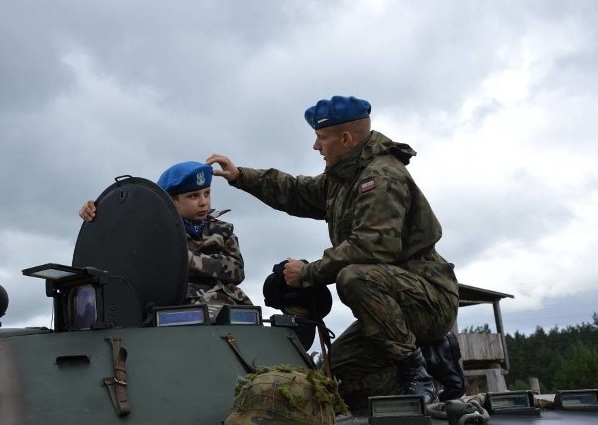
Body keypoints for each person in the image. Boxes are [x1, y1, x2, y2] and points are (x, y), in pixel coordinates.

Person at [207, 95, 463, 410]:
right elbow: (298, 192)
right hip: (392, 308)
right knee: (331, 381)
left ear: (346, 139)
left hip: (426, 300)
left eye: (321, 137)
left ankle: (416, 370)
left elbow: (371, 247)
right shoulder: (344, 177)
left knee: (354, 277)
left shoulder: (380, 177)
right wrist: (241, 176)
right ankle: (431, 356)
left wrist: (307, 273)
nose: (316, 146)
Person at [79, 161, 252, 321]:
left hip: (221, 301)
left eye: (207, 194)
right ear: (172, 201)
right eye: (193, 196)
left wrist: (189, 259)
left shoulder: (222, 230)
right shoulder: (155, 230)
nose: (203, 202)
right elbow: (120, 233)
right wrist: (97, 210)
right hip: (172, 305)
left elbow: (237, 270)